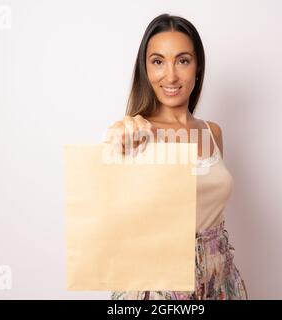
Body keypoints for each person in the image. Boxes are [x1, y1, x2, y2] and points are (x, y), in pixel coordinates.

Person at [104, 13, 248, 300]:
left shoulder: (212, 132)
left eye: (182, 60)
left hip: (220, 278)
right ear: (145, 69)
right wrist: (118, 144)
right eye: (158, 61)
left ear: (197, 67)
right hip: (159, 282)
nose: (170, 75)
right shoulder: (136, 135)